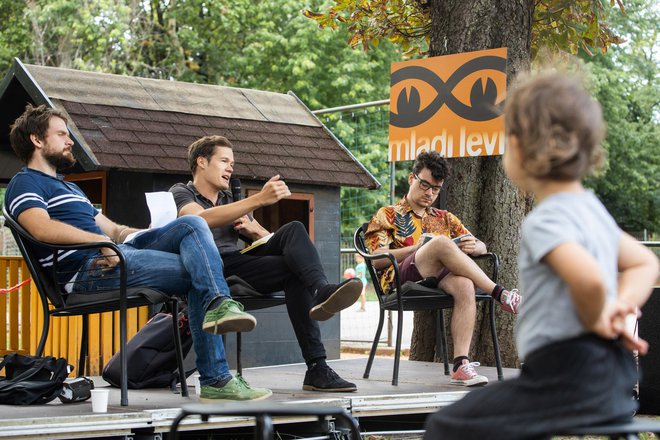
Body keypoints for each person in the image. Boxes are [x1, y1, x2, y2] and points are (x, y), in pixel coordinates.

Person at [423, 72, 659, 439]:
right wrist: (620, 308)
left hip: (562, 377)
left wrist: (599, 318)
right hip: (612, 381)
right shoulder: (592, 209)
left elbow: (588, 280)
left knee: (446, 426)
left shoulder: (545, 221)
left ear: (520, 148)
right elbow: (645, 263)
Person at [4, 104, 272, 402]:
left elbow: (115, 230)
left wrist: (147, 234)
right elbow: (40, 228)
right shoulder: (25, 183)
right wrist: (102, 245)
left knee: (191, 224)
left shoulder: (71, 189)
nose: (70, 141)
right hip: (85, 273)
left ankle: (219, 308)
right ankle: (217, 375)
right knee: (199, 272)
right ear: (37, 140)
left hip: (113, 254)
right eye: (61, 134)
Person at [169, 135, 363, 392]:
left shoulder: (230, 198)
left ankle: (320, 308)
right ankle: (317, 356)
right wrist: (258, 199)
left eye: (232, 163)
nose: (230, 168)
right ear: (202, 162)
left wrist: (253, 230)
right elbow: (198, 220)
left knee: (294, 231)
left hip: (240, 261)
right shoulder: (181, 192)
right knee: (293, 270)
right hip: (211, 267)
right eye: (224, 161)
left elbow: (264, 236)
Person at [365, 151, 520, 387]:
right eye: (424, 185)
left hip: (436, 278)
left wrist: (475, 246)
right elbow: (376, 259)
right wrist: (417, 248)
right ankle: (500, 294)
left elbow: (480, 244)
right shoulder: (387, 214)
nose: (429, 193)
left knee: (465, 284)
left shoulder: (444, 217)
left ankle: (460, 365)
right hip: (400, 280)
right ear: (411, 178)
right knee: (440, 242)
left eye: (436, 189)